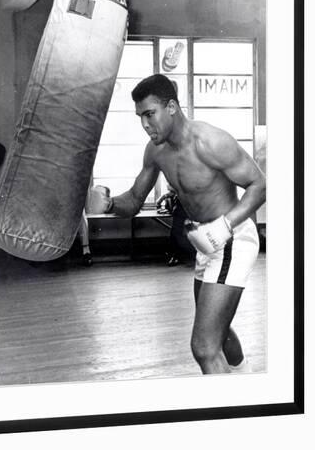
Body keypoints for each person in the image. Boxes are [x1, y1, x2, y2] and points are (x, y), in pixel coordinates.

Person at [87, 74, 266, 375]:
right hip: (205, 243)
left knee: (204, 347)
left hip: (232, 237)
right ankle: (245, 381)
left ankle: (233, 414)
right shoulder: (155, 151)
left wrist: (225, 225)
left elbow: (259, 184)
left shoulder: (210, 142)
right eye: (140, 117)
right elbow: (133, 199)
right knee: (218, 332)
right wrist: (108, 204)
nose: (145, 124)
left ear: (171, 107)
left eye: (149, 114)